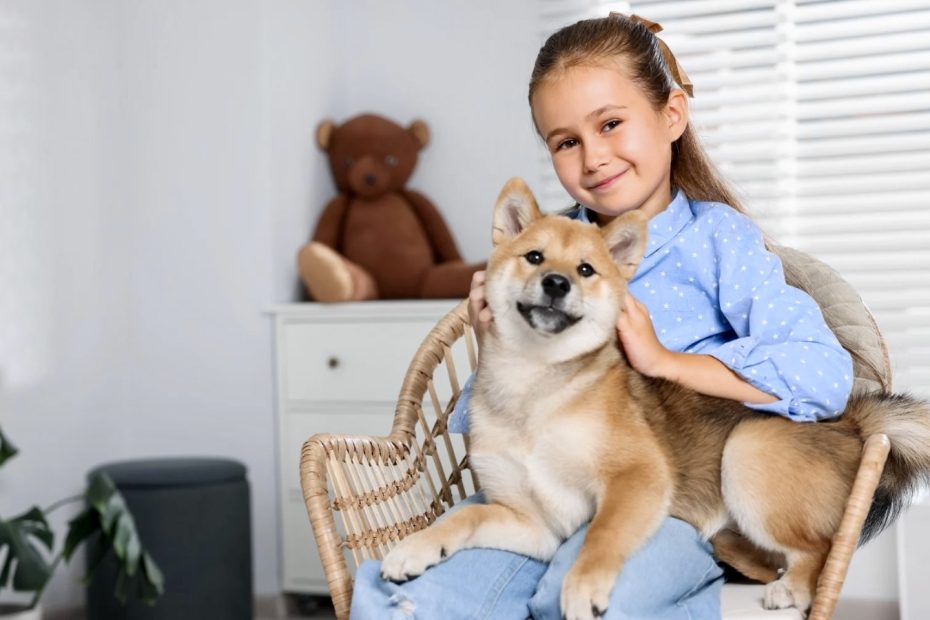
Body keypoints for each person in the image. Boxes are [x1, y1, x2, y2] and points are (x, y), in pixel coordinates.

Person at [350, 12, 854, 620]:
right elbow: (490, 420)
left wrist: (666, 361)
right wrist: (497, 334)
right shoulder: (541, 250)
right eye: (565, 142)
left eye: (611, 124)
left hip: (673, 503)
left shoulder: (718, 239)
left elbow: (824, 376)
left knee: (583, 593)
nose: (593, 157)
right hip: (542, 491)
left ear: (671, 115)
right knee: (398, 592)